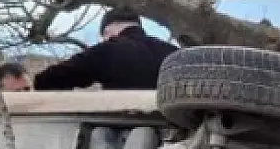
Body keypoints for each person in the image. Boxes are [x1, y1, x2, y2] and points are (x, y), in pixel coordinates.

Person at [34, 9, 178, 91]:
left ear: (108, 31)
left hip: (122, 132)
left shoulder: (107, 50)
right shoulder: (174, 53)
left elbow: (48, 79)